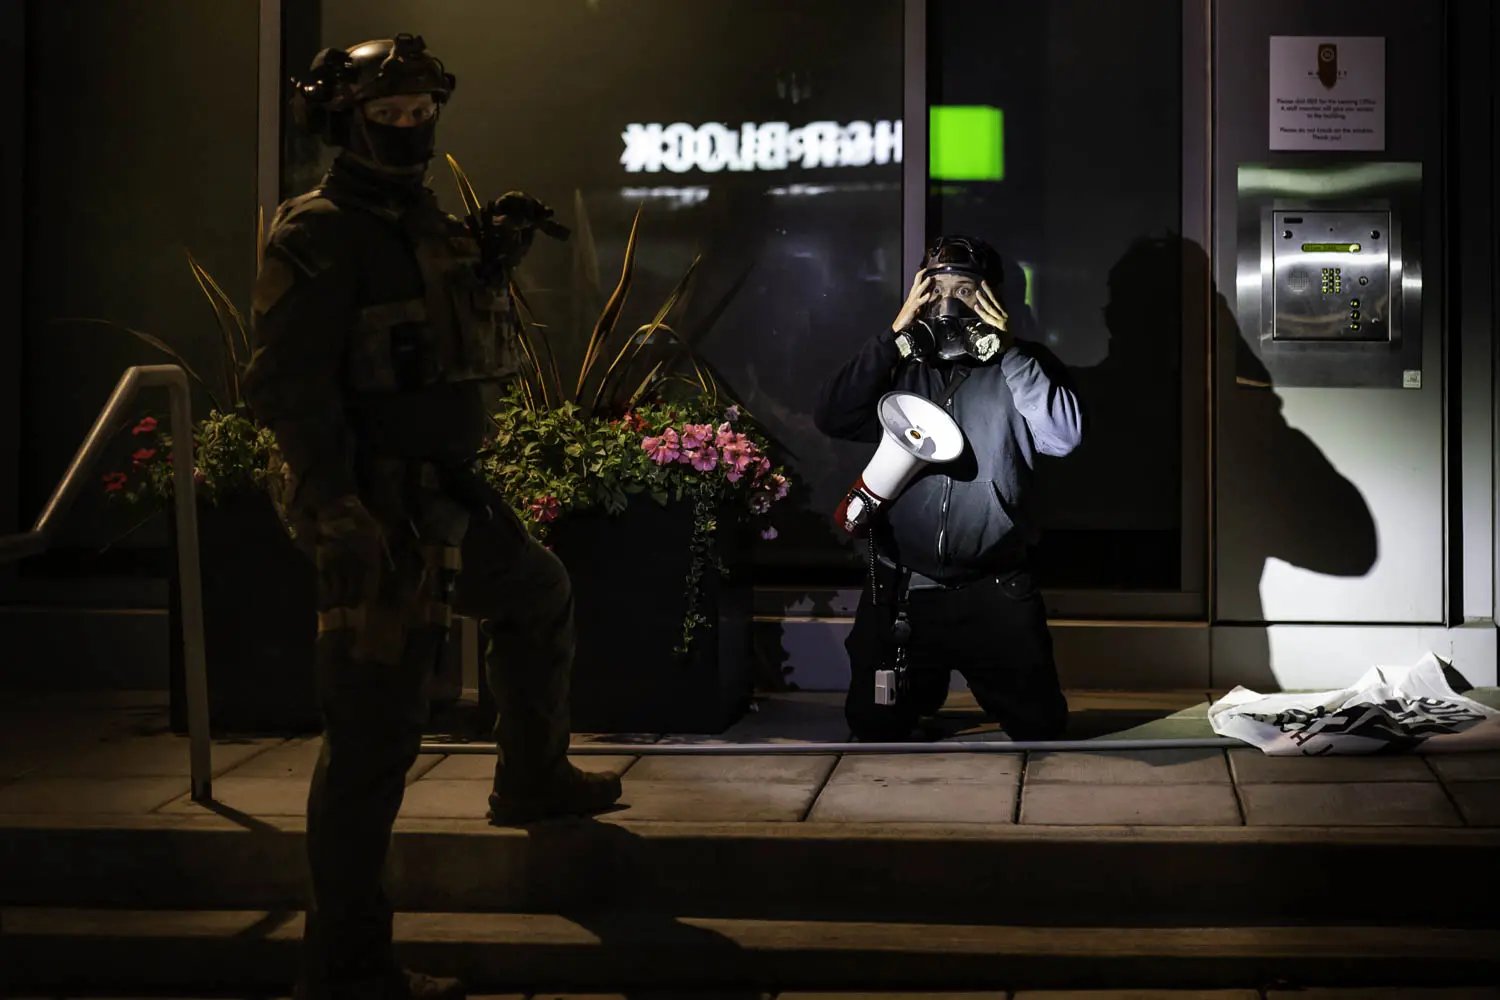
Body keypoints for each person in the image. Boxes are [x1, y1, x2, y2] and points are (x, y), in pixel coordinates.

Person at [241, 34, 622, 1000]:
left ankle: (530, 778)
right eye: (390, 114)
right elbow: (288, 388)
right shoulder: (316, 233)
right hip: (372, 504)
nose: (409, 131)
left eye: (421, 115)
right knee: (373, 736)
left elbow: (446, 342)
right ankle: (347, 966)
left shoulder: (422, 220)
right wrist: (334, 508)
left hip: (446, 487)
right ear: (346, 118)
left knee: (537, 596)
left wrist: (491, 260)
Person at [814, 235, 1084, 743]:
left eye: (965, 290)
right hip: (903, 590)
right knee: (873, 724)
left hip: (995, 589)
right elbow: (832, 415)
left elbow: (1064, 437)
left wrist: (1010, 354)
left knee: (1041, 727)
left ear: (994, 298)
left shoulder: (1025, 365)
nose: (949, 303)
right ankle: (923, 685)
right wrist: (892, 338)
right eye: (937, 289)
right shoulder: (900, 365)